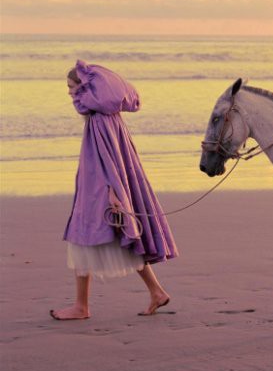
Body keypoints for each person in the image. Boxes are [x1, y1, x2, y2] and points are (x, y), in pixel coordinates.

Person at [50, 60, 178, 320]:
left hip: (99, 190)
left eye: (72, 87)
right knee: (120, 238)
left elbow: (109, 161)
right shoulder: (109, 118)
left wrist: (113, 193)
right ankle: (156, 291)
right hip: (99, 187)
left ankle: (81, 306)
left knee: (83, 238)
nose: (69, 93)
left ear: (86, 89)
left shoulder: (99, 120)